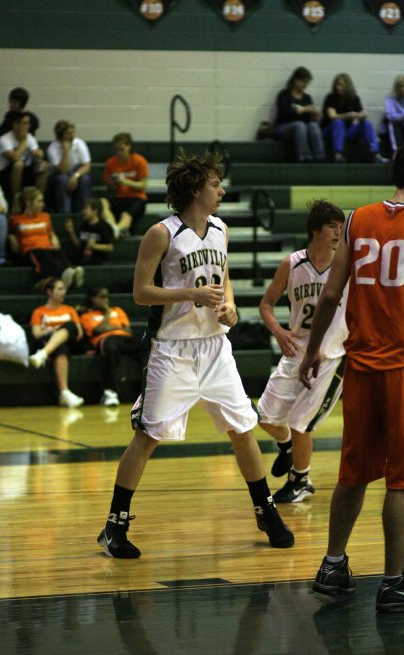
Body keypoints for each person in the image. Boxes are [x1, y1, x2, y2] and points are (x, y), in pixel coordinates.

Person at [96, 149, 294, 559]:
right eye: (215, 184)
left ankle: (265, 510)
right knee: (148, 435)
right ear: (194, 189)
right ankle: (114, 526)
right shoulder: (161, 234)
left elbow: (223, 278)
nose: (221, 190)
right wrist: (191, 294)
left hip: (215, 346)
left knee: (242, 428)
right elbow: (140, 293)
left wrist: (231, 306)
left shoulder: (220, 228)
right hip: (174, 349)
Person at [299, 139, 404, 613]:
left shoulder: (358, 218)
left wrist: (312, 352)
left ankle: (332, 564)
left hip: (361, 364)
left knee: (353, 473)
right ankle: (393, 582)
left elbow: (328, 297)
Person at [257, 200, 347, 503]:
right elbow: (266, 304)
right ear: (315, 230)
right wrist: (279, 331)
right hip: (295, 352)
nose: (339, 231)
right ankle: (287, 447)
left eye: (341, 225)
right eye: (332, 226)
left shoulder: (346, 266)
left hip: (330, 356)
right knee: (265, 418)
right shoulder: (292, 263)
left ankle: (301, 481)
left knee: (299, 422)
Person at [8, 186, 84, 289]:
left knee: (57, 253)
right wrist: (12, 239)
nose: (42, 204)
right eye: (39, 201)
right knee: (43, 255)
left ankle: (71, 271)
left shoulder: (45, 216)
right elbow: (11, 235)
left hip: (47, 248)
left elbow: (51, 234)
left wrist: (55, 241)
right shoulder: (16, 219)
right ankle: (65, 274)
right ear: (28, 202)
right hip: (31, 251)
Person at [29, 276, 85, 408]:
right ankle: (64, 393)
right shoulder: (39, 311)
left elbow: (79, 331)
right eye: (60, 289)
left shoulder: (69, 310)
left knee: (69, 325)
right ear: (49, 292)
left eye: (64, 289)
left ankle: (42, 354)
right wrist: (53, 332)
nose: (63, 292)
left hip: (73, 342)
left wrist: (60, 330)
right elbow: (36, 334)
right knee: (61, 348)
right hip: (53, 344)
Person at [80, 286, 135, 406]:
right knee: (111, 349)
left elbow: (128, 330)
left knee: (147, 343)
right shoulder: (87, 316)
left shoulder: (118, 310)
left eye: (107, 297)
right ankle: (110, 393)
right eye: (102, 297)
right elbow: (98, 330)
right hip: (106, 340)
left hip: (124, 339)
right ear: (93, 298)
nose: (106, 300)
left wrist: (111, 327)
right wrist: (108, 313)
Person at [321, 73, 388, 164]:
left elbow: (362, 112)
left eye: (341, 84)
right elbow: (332, 116)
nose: (338, 87)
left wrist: (363, 115)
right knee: (338, 122)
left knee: (366, 123)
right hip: (330, 130)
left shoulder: (354, 98)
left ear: (347, 86)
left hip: (347, 131)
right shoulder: (331, 98)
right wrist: (349, 115)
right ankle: (338, 154)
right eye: (337, 84)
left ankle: (375, 153)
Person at [0, 111, 48, 210]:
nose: (28, 126)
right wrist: (23, 142)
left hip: (25, 171)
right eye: (25, 123)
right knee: (18, 164)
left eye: (28, 123)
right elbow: (15, 157)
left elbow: (37, 153)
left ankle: (39, 199)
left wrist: (39, 154)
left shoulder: (30, 137)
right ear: (15, 125)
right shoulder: (5, 139)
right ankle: (17, 199)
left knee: (43, 165)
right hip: (5, 173)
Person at [272, 67, 325, 162]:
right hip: (282, 127)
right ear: (295, 80)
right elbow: (283, 114)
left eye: (307, 82)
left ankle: (319, 156)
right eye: (303, 81)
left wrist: (315, 116)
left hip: (301, 128)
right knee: (299, 125)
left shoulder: (307, 98)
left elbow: (308, 121)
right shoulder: (284, 95)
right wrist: (301, 110)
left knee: (313, 126)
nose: (305, 84)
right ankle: (304, 156)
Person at [102, 132, 148, 236]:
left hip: (136, 197)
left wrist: (124, 181)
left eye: (121, 149)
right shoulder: (111, 162)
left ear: (129, 147)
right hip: (119, 197)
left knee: (126, 214)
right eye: (116, 149)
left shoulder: (139, 161)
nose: (119, 152)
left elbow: (143, 186)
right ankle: (114, 227)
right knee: (103, 202)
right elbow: (108, 187)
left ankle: (115, 230)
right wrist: (112, 183)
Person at [46, 120, 92, 213]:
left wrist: (75, 176)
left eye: (72, 132)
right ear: (60, 135)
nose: (72, 136)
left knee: (85, 179)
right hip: (58, 174)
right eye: (68, 133)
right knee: (62, 179)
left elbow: (87, 165)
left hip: (75, 172)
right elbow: (62, 170)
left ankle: (83, 211)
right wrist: (66, 151)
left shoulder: (79, 143)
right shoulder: (52, 148)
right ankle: (65, 212)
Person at [64, 198, 114, 265]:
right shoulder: (84, 225)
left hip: (97, 260)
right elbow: (79, 245)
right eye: (83, 209)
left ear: (95, 210)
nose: (83, 211)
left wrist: (95, 246)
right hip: (82, 258)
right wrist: (71, 231)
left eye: (86, 209)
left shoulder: (104, 226)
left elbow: (110, 247)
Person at [382, 75, 404, 159]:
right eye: (403, 86)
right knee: (393, 123)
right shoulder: (390, 99)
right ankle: (396, 151)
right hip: (397, 126)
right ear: (397, 87)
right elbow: (390, 116)